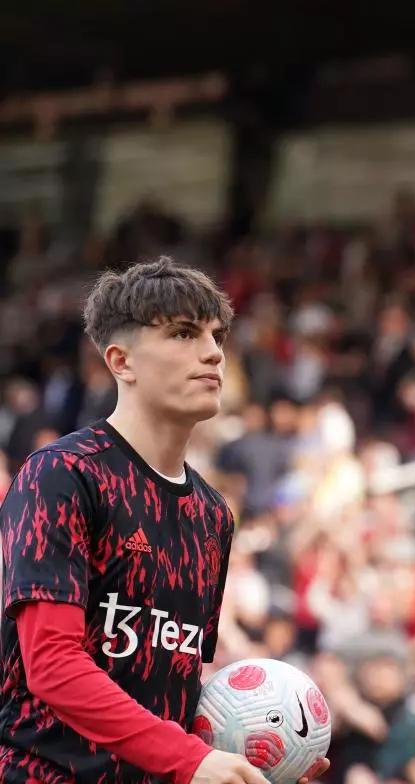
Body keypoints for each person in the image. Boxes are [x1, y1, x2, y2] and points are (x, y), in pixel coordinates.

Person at [0, 257, 329, 784]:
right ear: (120, 362)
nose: (214, 352)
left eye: (217, 336)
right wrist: (191, 759)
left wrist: (264, 753)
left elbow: (170, 683)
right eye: (183, 333)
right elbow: (52, 665)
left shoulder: (213, 516)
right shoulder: (61, 474)